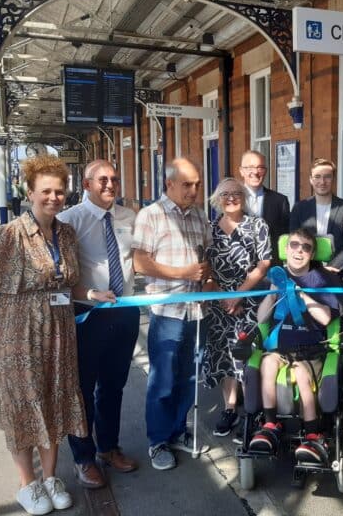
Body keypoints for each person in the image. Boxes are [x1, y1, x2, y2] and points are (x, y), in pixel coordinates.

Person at [0, 155, 113, 515]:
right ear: (30, 192)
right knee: (22, 407)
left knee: (54, 402)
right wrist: (8, 324)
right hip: (17, 338)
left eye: (59, 190)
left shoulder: (65, 232)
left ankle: (50, 477)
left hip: (60, 335)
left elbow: (70, 283)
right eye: (46, 191)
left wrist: (91, 294)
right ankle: (28, 484)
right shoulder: (11, 235)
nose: (54, 197)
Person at [56, 160, 139, 489]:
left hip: (126, 312)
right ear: (87, 184)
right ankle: (83, 457)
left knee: (114, 386)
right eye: (102, 179)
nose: (109, 184)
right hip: (86, 314)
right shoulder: (68, 221)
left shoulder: (128, 218)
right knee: (83, 391)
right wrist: (89, 293)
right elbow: (58, 276)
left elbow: (142, 259)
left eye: (114, 179)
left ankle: (108, 447)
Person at [132, 158, 211, 471]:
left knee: (189, 376)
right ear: (169, 184)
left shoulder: (200, 215)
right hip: (167, 312)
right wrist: (183, 272)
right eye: (187, 185)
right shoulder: (150, 216)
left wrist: (206, 277)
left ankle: (178, 429)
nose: (193, 191)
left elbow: (207, 257)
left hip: (197, 312)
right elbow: (140, 262)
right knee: (163, 379)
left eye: (197, 185)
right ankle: (158, 441)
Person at [248, 228, 341, 464]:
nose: (299, 250)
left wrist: (304, 297)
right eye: (294, 245)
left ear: (312, 253)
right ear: (286, 249)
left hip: (310, 349)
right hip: (280, 348)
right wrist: (272, 294)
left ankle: (313, 434)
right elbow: (261, 320)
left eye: (306, 247)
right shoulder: (276, 277)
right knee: (267, 362)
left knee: (300, 372)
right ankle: (270, 424)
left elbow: (326, 319)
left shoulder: (322, 280)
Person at [203, 177, 272, 437]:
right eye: (225, 194)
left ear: (244, 197)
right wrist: (224, 297)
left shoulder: (257, 225)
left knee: (249, 353)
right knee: (223, 356)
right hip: (220, 303)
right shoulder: (209, 228)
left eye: (236, 193)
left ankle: (254, 411)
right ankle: (230, 408)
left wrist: (238, 295)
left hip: (251, 299)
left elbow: (263, 264)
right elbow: (206, 268)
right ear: (217, 199)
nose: (231, 198)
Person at [289, 158, 343, 273]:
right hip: (305, 273)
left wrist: (327, 270)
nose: (322, 182)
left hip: (338, 273)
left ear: (333, 179)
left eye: (327, 177)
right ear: (311, 179)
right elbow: (294, 242)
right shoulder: (299, 208)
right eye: (317, 177)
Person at [239, 150, 290, 262]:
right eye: (250, 168)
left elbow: (284, 237)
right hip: (239, 268)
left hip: (271, 268)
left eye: (260, 167)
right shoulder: (232, 199)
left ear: (265, 171)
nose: (256, 172)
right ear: (241, 171)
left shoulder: (280, 201)